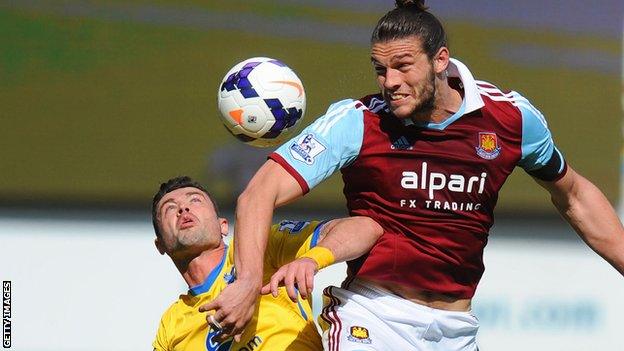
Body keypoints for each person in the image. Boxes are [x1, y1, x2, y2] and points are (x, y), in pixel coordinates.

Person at [207, 1, 624, 350]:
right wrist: (246, 281)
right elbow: (257, 193)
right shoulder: (357, 121)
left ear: (440, 60)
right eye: (380, 70)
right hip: (371, 317)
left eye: (403, 67)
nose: (390, 82)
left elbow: (573, 195)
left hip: (457, 330)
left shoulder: (509, 119)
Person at [151, 176, 383, 351]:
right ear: (160, 244)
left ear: (223, 225)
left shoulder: (260, 249)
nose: (183, 208)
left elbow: (366, 228)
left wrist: (312, 259)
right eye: (169, 208)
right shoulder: (171, 324)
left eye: (195, 200)